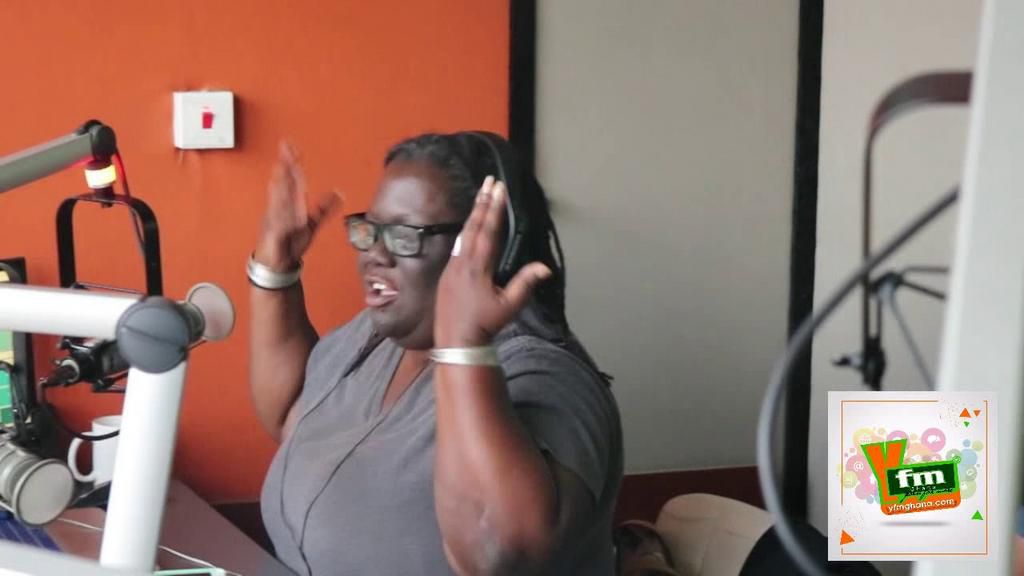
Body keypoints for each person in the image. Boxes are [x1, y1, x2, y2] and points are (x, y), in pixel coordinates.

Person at [250, 133, 623, 575]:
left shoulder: (548, 377)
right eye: (371, 230)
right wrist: (274, 271)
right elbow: (291, 414)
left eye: (404, 235)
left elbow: (493, 557)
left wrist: (463, 347)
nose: (375, 254)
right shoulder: (377, 338)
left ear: (487, 246)